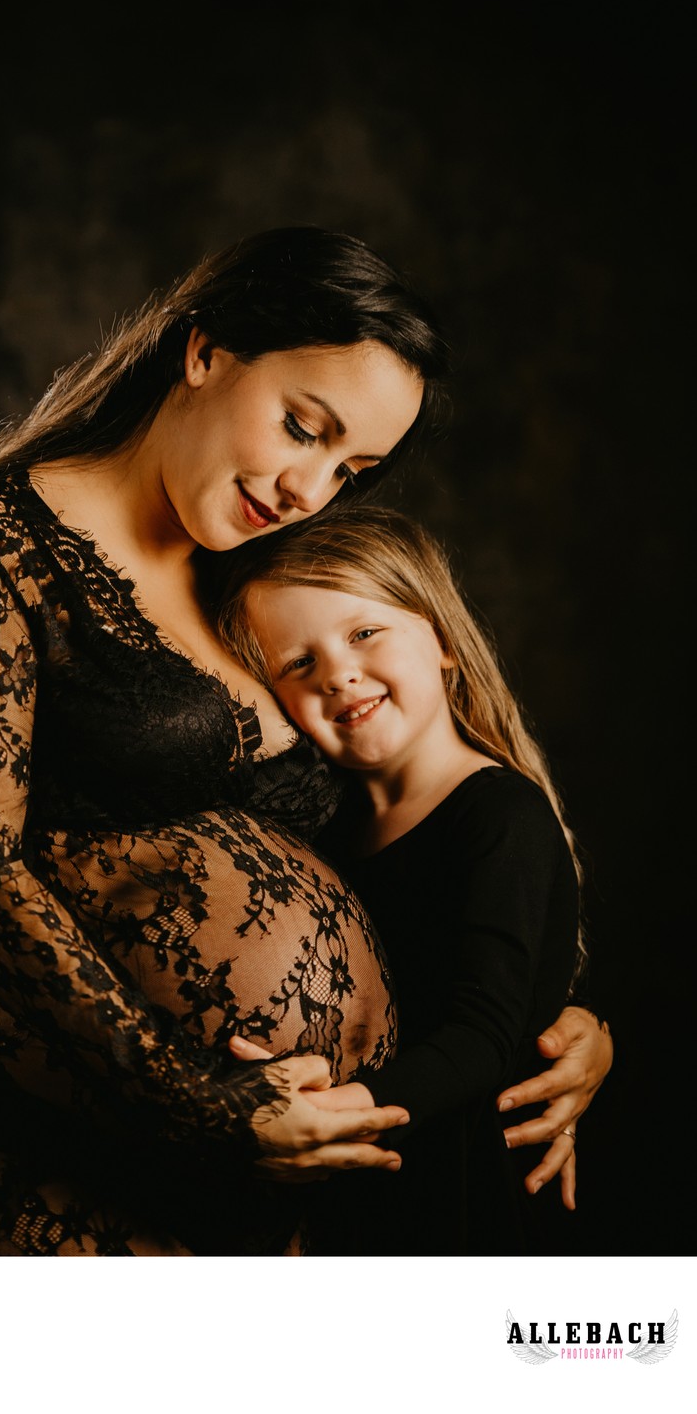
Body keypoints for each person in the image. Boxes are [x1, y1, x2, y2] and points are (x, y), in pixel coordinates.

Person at [0, 226, 611, 1257]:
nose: (310, 488)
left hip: (268, 1185)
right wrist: (209, 1108)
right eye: (303, 426)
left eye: (353, 467)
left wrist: (555, 1019)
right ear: (204, 352)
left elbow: (391, 841)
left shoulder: (258, 574)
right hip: (39, 1145)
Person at [217, 504, 604, 1253]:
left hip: (465, 1190)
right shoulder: (328, 831)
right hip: (366, 1184)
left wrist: (333, 1112)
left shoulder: (499, 815)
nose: (339, 672)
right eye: (299, 663)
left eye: (363, 632)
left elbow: (482, 1036)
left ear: (443, 640)